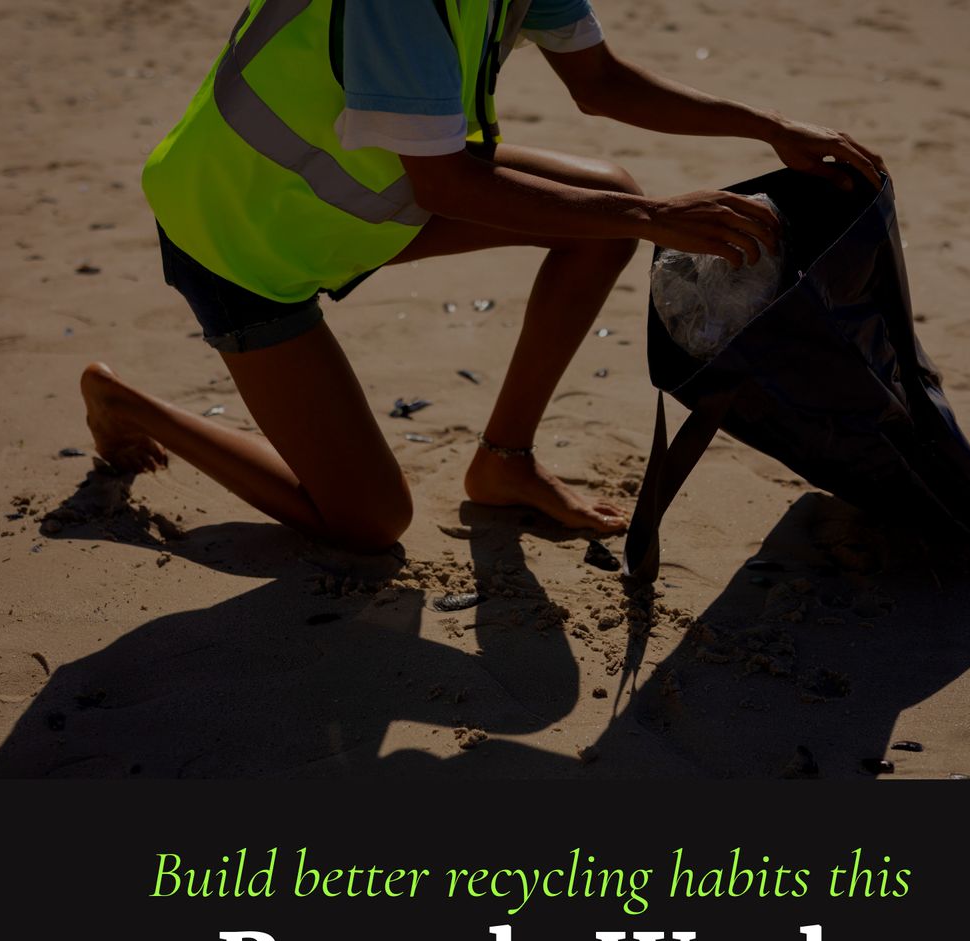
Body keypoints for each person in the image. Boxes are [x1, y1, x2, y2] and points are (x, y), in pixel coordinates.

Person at [80, 0, 887, 552]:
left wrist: (770, 128)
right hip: (239, 232)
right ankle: (128, 404)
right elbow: (445, 185)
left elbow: (599, 82)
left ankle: (505, 460)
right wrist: (654, 222)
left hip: (356, 207)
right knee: (369, 525)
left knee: (608, 202)